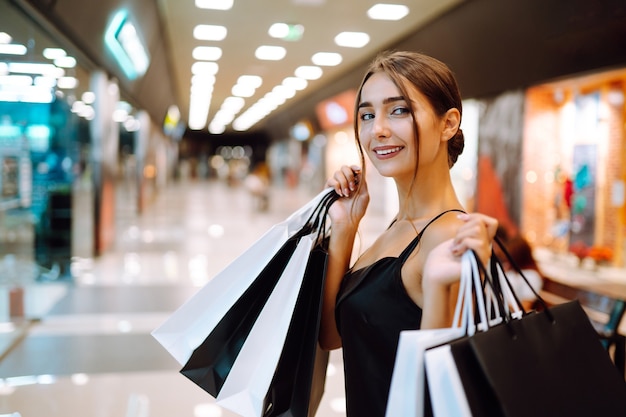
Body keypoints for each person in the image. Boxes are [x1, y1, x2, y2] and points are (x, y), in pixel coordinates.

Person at [318, 50, 498, 417]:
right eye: (367, 115)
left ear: (448, 124)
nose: (377, 129)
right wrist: (344, 227)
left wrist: (437, 285)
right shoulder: (398, 228)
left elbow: (440, 396)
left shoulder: (449, 238)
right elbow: (332, 336)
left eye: (398, 110)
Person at [498, 234, 545, 311]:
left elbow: (524, 308)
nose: (506, 259)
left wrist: (499, 302)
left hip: (512, 315)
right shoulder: (511, 271)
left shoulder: (532, 276)